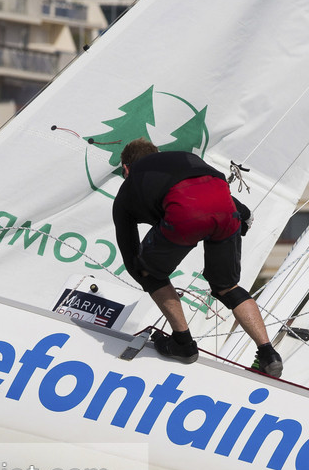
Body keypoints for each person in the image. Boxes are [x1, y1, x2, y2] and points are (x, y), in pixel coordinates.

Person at [111, 139, 282, 376]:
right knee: (227, 287)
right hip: (225, 208)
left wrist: (145, 276)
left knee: (147, 270)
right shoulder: (180, 159)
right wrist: (241, 217)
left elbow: (128, 249)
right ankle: (267, 353)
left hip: (185, 213)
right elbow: (221, 199)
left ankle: (183, 343)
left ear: (126, 168)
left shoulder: (128, 187)